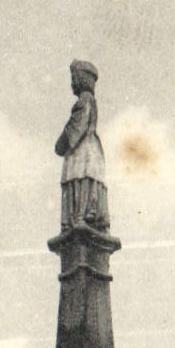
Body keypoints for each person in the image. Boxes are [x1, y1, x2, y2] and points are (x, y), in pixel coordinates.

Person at [55, 60, 109, 231]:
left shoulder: (84, 101)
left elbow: (76, 127)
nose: (72, 83)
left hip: (82, 152)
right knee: (88, 182)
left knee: (79, 180)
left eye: (74, 78)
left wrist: (61, 144)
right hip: (92, 151)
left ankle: (78, 216)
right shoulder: (91, 101)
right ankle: (88, 216)